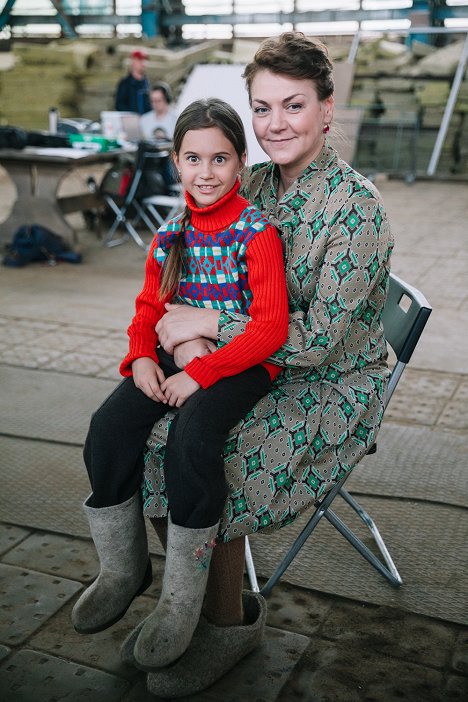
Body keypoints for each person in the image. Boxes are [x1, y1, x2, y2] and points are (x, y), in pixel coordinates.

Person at [133, 31, 395, 698]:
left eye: (293, 105)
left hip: (332, 379)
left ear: (327, 109)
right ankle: (187, 601)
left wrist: (210, 324)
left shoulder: (356, 209)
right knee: (154, 434)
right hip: (252, 359)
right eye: (261, 107)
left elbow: (321, 340)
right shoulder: (248, 182)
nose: (274, 124)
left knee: (206, 449)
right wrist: (178, 338)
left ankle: (230, 624)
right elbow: (184, 271)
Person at [71, 98, 289, 668]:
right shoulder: (171, 232)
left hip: (242, 362)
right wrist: (140, 357)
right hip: (174, 354)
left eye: (220, 159)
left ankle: (181, 601)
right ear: (176, 162)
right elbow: (149, 306)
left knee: (191, 440)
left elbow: (269, 329)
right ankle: (124, 568)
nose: (207, 172)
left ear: (242, 163)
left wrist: (202, 372)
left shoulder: (258, 234)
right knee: (107, 429)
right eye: (193, 158)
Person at [115, 48, 151, 115]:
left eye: (145, 60)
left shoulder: (146, 83)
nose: (143, 63)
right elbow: (119, 105)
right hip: (130, 122)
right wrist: (133, 115)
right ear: (133, 61)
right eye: (140, 60)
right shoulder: (124, 83)